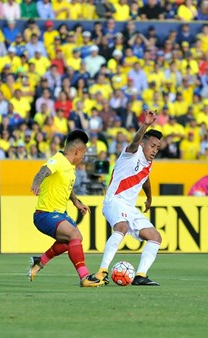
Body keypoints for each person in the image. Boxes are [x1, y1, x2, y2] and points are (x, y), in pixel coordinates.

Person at [27, 129, 104, 287]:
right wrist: (36, 183)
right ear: (78, 151)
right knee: (74, 234)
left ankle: (39, 262)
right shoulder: (58, 160)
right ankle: (84, 278)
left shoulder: (70, 166)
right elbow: (43, 171)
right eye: (83, 154)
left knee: (75, 239)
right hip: (45, 214)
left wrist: (76, 201)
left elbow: (67, 187)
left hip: (59, 213)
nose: (83, 158)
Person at [94, 110, 163, 286]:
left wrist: (149, 197)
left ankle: (140, 275)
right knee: (122, 227)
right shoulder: (132, 152)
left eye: (157, 148)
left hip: (129, 208)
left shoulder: (148, 164)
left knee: (155, 236)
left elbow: (145, 178)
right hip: (114, 200)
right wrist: (146, 124)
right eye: (152, 146)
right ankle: (102, 272)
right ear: (144, 144)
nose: (154, 150)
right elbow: (134, 141)